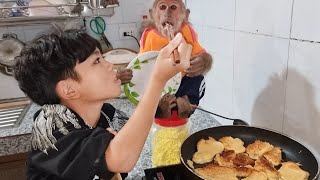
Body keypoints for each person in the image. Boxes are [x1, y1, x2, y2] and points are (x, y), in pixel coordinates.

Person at [14, 29, 191, 180]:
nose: (110, 65)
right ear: (68, 89)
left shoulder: (106, 113)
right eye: (97, 61)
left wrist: (159, 110)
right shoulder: (50, 123)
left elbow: (130, 133)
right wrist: (157, 79)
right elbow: (121, 158)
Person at [140, 0, 213, 118]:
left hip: (182, 85)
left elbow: (202, 55)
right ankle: (159, 110)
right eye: (162, 7)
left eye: (173, 7)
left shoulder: (187, 32)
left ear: (185, 15)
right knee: (146, 85)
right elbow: (140, 68)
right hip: (159, 85)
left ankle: (188, 104)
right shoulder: (149, 36)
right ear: (152, 15)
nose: (167, 13)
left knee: (198, 78)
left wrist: (204, 62)